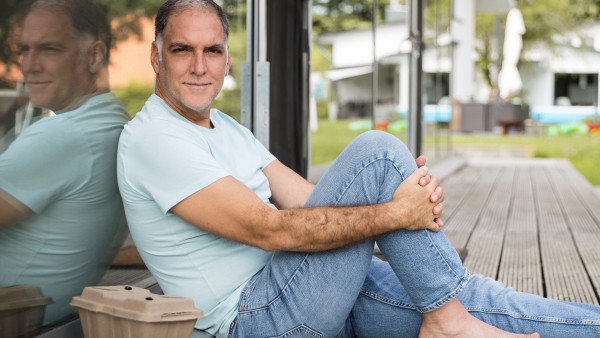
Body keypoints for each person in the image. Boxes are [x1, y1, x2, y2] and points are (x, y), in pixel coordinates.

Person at [117, 1, 600, 337]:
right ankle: (448, 319)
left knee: (480, 302)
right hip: (260, 319)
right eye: (183, 50)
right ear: (157, 56)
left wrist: (400, 199)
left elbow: (311, 201)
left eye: (213, 51)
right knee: (378, 152)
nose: (200, 65)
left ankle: (450, 316)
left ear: (226, 60)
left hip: (309, 288)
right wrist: (397, 212)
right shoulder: (155, 138)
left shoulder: (223, 126)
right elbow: (268, 229)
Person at [0, 0, 130, 327]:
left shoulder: (63, 135)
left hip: (18, 318)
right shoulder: (112, 121)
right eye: (23, 49)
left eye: (49, 49)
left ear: (95, 55)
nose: (29, 65)